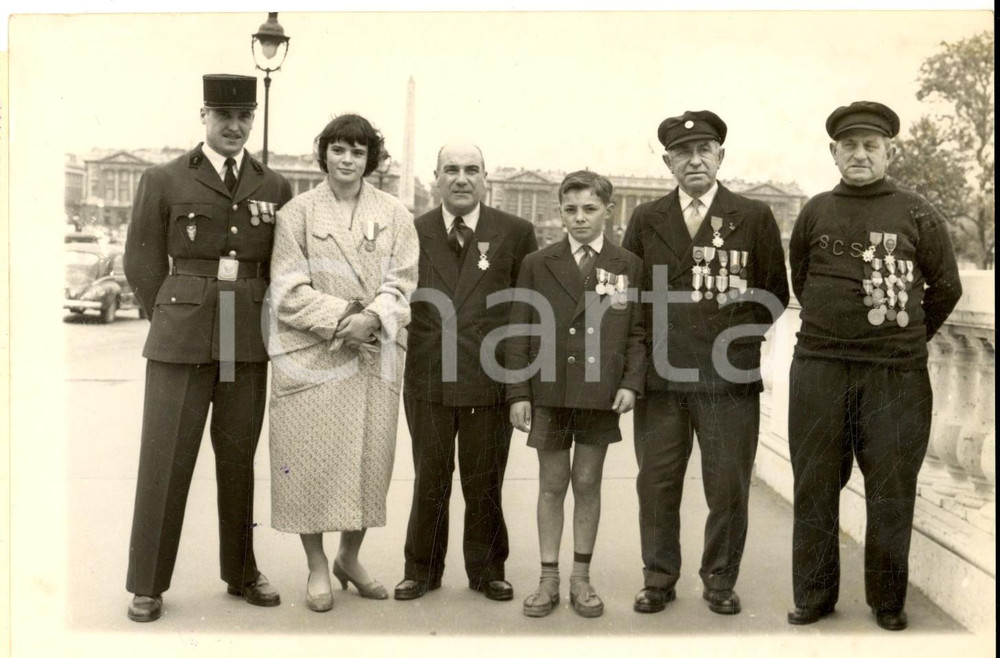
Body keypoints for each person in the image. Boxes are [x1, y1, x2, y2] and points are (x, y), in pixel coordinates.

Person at [123, 74, 293, 622]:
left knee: (240, 459)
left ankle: (241, 570)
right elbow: (141, 259)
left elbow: (278, 264)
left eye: (244, 116)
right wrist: (173, 313)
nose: (235, 126)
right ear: (204, 115)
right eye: (224, 115)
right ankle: (147, 583)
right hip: (182, 336)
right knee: (165, 460)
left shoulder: (275, 185)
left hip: (244, 337)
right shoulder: (165, 177)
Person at [786, 101, 962, 631]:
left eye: (870, 146)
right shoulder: (815, 209)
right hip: (819, 366)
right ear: (833, 152)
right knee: (814, 484)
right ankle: (814, 595)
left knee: (890, 488)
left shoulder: (917, 211)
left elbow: (946, 287)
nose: (859, 154)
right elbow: (803, 279)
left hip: (895, 375)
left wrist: (903, 336)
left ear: (890, 151)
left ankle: (888, 601)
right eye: (849, 146)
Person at [621, 110, 789, 616]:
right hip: (662, 376)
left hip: (727, 378)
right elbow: (628, 297)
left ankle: (719, 579)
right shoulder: (646, 218)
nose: (694, 160)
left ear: (720, 156)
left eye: (704, 151)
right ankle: (658, 577)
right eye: (682, 154)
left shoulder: (753, 216)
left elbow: (773, 295)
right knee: (657, 483)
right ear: (668, 161)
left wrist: (733, 344)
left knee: (728, 486)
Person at [266, 114, 419, 613]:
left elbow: (403, 279)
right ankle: (316, 564)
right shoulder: (297, 213)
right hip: (313, 353)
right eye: (338, 149)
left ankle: (349, 558)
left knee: (368, 462)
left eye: (357, 151)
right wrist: (344, 319)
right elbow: (287, 290)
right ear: (324, 154)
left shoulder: (395, 212)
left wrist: (373, 318)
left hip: (374, 353)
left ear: (369, 159)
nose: (347, 160)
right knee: (308, 462)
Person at [396, 142, 538, 602]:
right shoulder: (411, 230)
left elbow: (525, 313)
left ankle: (488, 569)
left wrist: (521, 384)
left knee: (485, 480)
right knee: (429, 478)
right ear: (435, 177)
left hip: (489, 380)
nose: (461, 178)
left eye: (471, 170)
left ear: (485, 177)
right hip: (429, 376)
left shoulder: (515, 232)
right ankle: (421, 570)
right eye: (451, 170)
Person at [507, 171, 645, 618]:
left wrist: (629, 382)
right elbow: (520, 328)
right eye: (571, 209)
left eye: (589, 208)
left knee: (587, 483)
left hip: (599, 392)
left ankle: (580, 578)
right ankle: (548, 579)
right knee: (551, 485)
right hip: (549, 390)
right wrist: (518, 391)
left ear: (608, 209)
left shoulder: (627, 264)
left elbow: (637, 332)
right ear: (559, 212)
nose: (580, 218)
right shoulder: (537, 261)